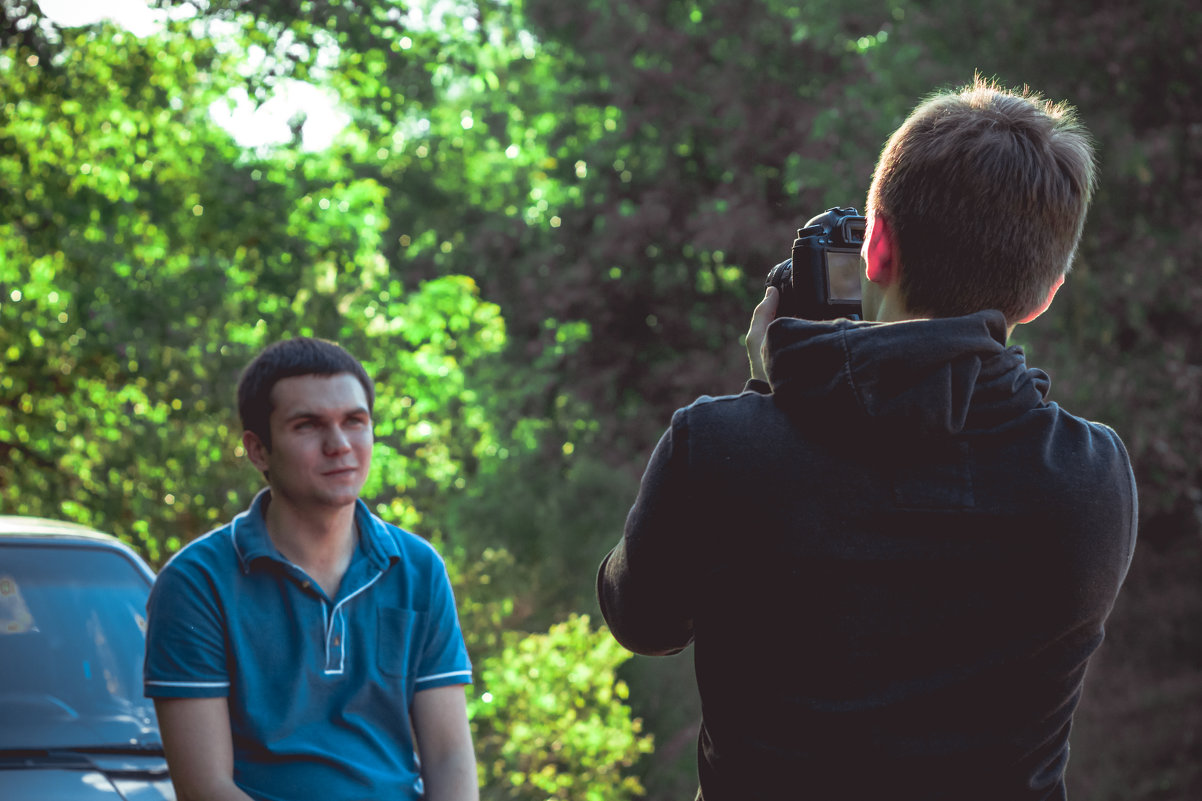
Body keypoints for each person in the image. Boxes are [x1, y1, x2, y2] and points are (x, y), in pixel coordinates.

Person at [596, 76, 1137, 800]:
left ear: (876, 248)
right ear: (1043, 294)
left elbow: (641, 618)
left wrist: (772, 389)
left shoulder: (721, 446)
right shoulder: (1094, 478)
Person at [144, 337, 478, 801]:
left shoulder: (418, 570)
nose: (339, 445)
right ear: (259, 450)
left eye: (355, 422)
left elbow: (449, 759)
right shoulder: (196, 583)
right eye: (308, 426)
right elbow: (205, 789)